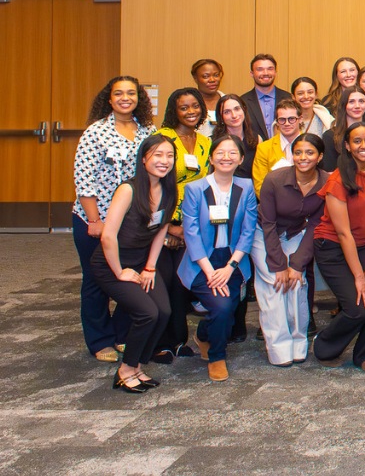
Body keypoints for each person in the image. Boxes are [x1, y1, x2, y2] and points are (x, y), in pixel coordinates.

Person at [74, 76, 157, 362]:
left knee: (129, 275)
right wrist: (95, 220)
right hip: (96, 219)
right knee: (97, 278)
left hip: (134, 220)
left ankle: (122, 333)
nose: (125, 98)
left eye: (131, 93)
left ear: (139, 97)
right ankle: (100, 340)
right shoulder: (95, 132)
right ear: (109, 99)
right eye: (118, 93)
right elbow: (84, 181)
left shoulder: (148, 130)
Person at [89, 134, 178, 393]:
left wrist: (150, 267)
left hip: (142, 262)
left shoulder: (168, 189)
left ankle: (138, 366)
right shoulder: (128, 189)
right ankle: (125, 371)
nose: (164, 161)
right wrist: (120, 271)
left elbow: (161, 230)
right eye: (157, 155)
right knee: (146, 313)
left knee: (163, 312)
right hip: (111, 264)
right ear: (143, 159)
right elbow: (108, 235)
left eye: (169, 156)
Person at [312, 122, 365, 372]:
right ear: (347, 146)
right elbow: (343, 233)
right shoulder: (338, 181)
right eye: (357, 141)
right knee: (357, 308)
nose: (363, 145)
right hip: (333, 247)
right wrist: (359, 276)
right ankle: (324, 345)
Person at [178, 135, 258, 381]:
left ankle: (203, 334)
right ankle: (216, 356)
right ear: (211, 158)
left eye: (232, 153)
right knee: (222, 308)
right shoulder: (195, 189)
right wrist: (211, 271)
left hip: (233, 260)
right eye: (220, 152)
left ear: (241, 159)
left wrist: (230, 267)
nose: (226, 157)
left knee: (230, 310)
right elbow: (190, 233)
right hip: (201, 260)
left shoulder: (246, 187)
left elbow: (248, 230)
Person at [254, 132, 328, 367]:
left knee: (297, 283)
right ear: (291, 155)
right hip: (264, 233)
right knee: (275, 285)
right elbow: (268, 223)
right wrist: (279, 265)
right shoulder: (274, 179)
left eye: (309, 152)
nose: (303, 157)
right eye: (298, 152)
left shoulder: (327, 182)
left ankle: (298, 343)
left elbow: (317, 224)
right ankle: (278, 348)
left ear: (320, 156)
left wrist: (296, 264)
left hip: (298, 232)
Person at [155, 87, 213, 360]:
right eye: (184, 107)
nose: (191, 112)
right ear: (173, 111)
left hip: (192, 220)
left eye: (195, 106)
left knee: (181, 284)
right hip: (163, 218)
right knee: (162, 283)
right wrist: (168, 227)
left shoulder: (204, 142)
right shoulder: (163, 138)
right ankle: (159, 344)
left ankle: (178, 341)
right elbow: (151, 184)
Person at [252, 98, 303, 194]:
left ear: (300, 119)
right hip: (274, 204)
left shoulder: (312, 145)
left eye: (291, 119)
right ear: (277, 122)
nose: (287, 123)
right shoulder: (264, 148)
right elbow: (260, 186)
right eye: (282, 120)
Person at [241, 53, 292, 141]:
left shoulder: (289, 98)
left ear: (275, 72)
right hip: (254, 152)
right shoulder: (243, 102)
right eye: (260, 69)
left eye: (270, 69)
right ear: (252, 73)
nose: (265, 73)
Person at [321, 88, 365, 173]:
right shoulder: (330, 137)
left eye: (361, 101)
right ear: (344, 105)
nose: (357, 106)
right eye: (351, 102)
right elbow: (328, 173)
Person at [214, 93, 259, 182]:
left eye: (237, 109)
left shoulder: (257, 139)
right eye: (227, 112)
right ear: (221, 117)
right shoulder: (214, 141)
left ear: (244, 110)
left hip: (251, 192)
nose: (234, 115)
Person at [191, 59, 225, 138]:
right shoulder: (189, 104)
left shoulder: (229, 102)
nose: (212, 80)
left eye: (216, 75)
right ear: (195, 78)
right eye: (206, 76)